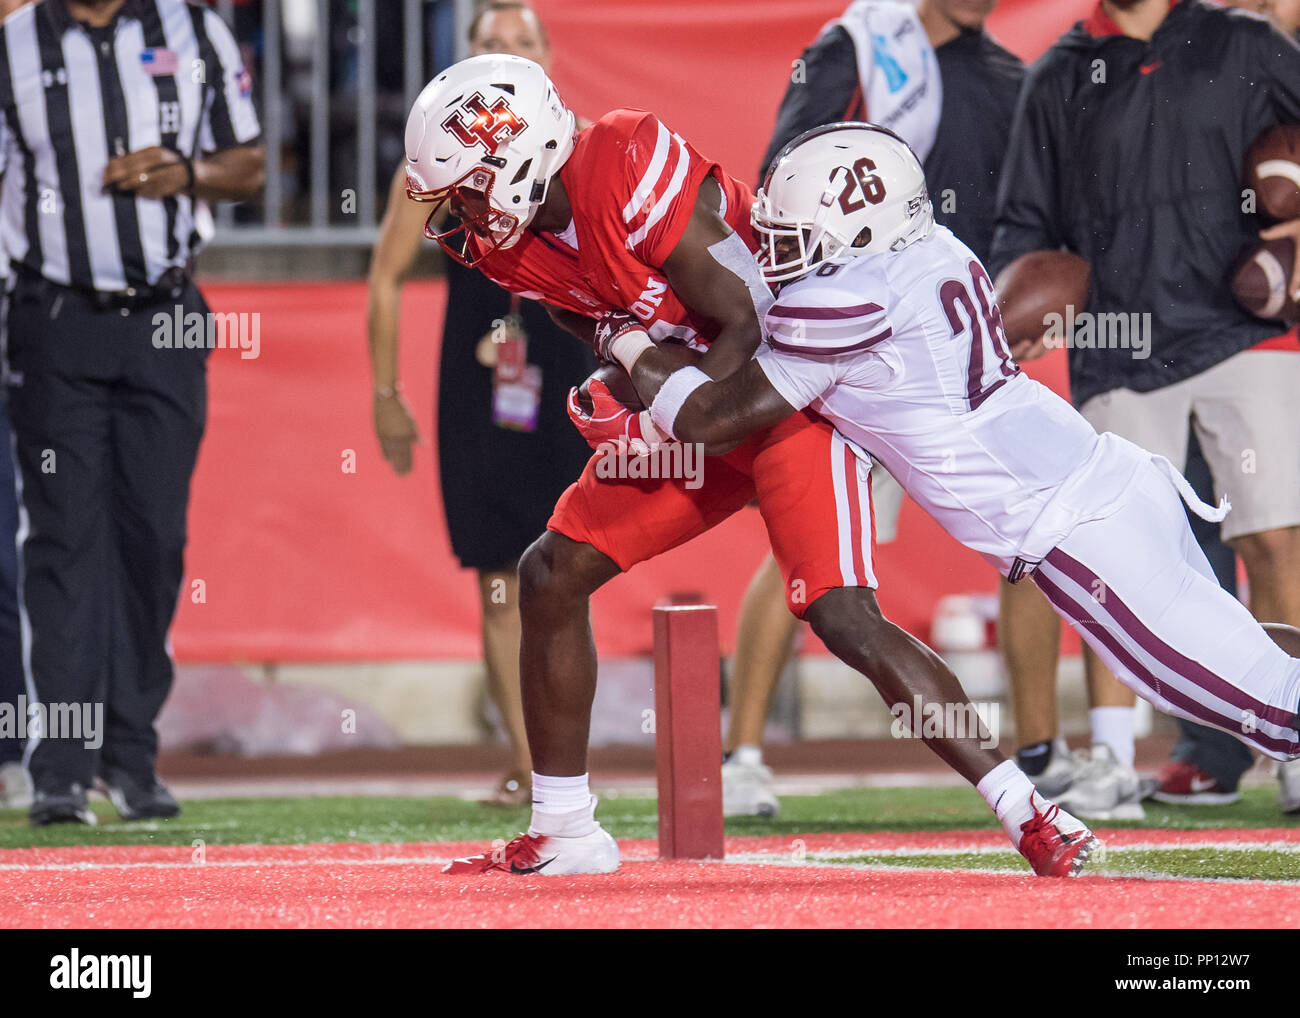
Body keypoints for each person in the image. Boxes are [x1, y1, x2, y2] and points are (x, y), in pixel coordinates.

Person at [415, 56, 1099, 880]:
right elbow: (587, 311)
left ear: (522, 156)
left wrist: (661, 402)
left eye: (469, 186)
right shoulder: (509, 243)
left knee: (843, 615)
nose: (460, 210)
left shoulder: (622, 160)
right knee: (551, 573)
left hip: (784, 388)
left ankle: (1030, 811)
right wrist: (625, 373)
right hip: (699, 395)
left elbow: (745, 315)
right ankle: (565, 828)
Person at [615, 123, 1300, 822]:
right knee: (1244, 652)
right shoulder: (932, 248)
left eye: (797, 238)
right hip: (1106, 479)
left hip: (1074, 527)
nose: (775, 252)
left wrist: (627, 340)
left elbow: (709, 418)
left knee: (1267, 706)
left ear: (859, 233)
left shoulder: (847, 299)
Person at [991, 0, 1300, 817]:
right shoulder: (1060, 72)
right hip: (1118, 347)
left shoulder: (1247, 42)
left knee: (1274, 539)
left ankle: (1297, 750)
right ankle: (1112, 760)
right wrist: (1012, 307)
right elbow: (1026, 221)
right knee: (1116, 562)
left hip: (1248, 332)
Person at [723, 0, 1025, 817]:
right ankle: (742, 752)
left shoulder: (1005, 78)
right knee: (806, 554)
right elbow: (779, 196)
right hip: (853, 351)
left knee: (1036, 540)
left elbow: (1021, 213)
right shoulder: (855, 50)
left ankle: (1048, 750)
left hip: (945, 353)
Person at [0, 0, 264, 825]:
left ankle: (131, 757)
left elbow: (249, 164)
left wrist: (183, 174)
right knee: (63, 536)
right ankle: (59, 768)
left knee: (153, 537)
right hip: (54, 317)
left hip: (168, 314)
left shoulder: (195, 31)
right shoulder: (13, 44)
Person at [367, 1, 594, 807]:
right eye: (488, 43)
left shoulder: (579, 142)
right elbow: (387, 275)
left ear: (547, 56)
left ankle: (561, 756)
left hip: (568, 372)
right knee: (499, 571)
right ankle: (535, 766)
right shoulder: (435, 158)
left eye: (519, 42)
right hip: (480, 382)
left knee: (569, 564)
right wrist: (386, 396)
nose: (502, 54)